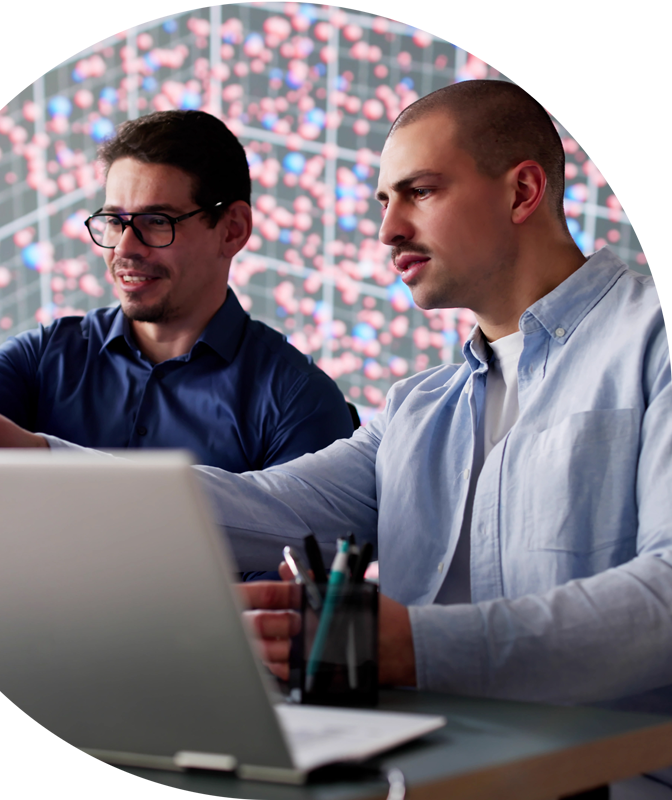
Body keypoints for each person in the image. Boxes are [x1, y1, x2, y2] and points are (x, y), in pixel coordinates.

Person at [196, 78, 672, 742]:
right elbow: (261, 506)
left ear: (522, 192)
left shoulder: (660, 336)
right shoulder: (415, 410)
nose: (389, 230)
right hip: (422, 773)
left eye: (420, 192)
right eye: (384, 202)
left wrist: (411, 646)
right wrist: (34, 460)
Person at [0, 110, 354, 471]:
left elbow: (293, 589)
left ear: (232, 230)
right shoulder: (48, 356)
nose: (125, 248)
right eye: (113, 221)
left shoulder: (298, 401)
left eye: (155, 222)